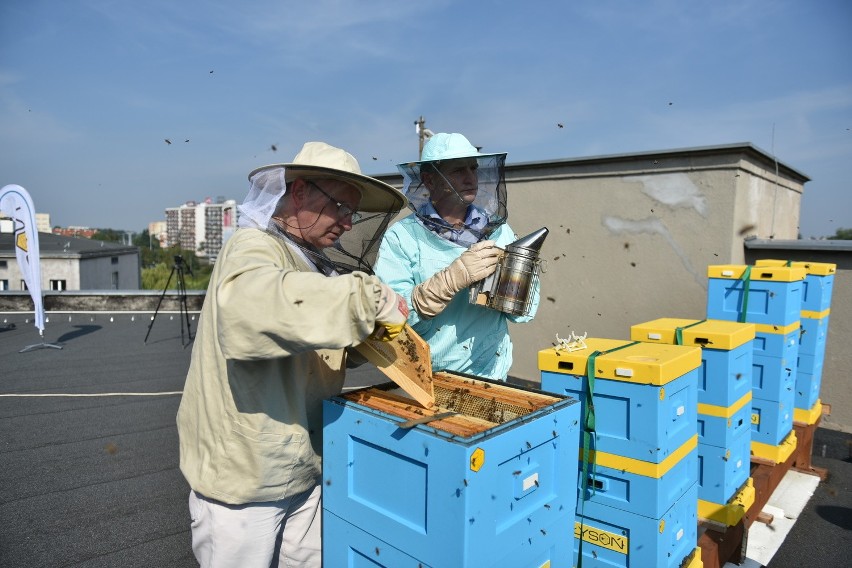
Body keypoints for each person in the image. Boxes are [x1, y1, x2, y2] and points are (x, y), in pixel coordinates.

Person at [176, 141, 409, 568]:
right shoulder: (252, 247)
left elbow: (322, 349)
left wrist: (377, 333)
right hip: (244, 483)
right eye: (340, 205)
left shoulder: (308, 264)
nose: (347, 221)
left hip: (304, 468)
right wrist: (367, 298)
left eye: (352, 212)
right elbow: (253, 310)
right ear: (299, 192)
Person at [374, 132, 540, 381]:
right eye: (458, 170)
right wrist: (449, 281)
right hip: (429, 376)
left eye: (472, 169)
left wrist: (513, 282)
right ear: (429, 180)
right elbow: (390, 320)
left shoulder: (499, 231)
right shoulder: (402, 237)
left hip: (492, 372)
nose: (470, 178)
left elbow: (522, 313)